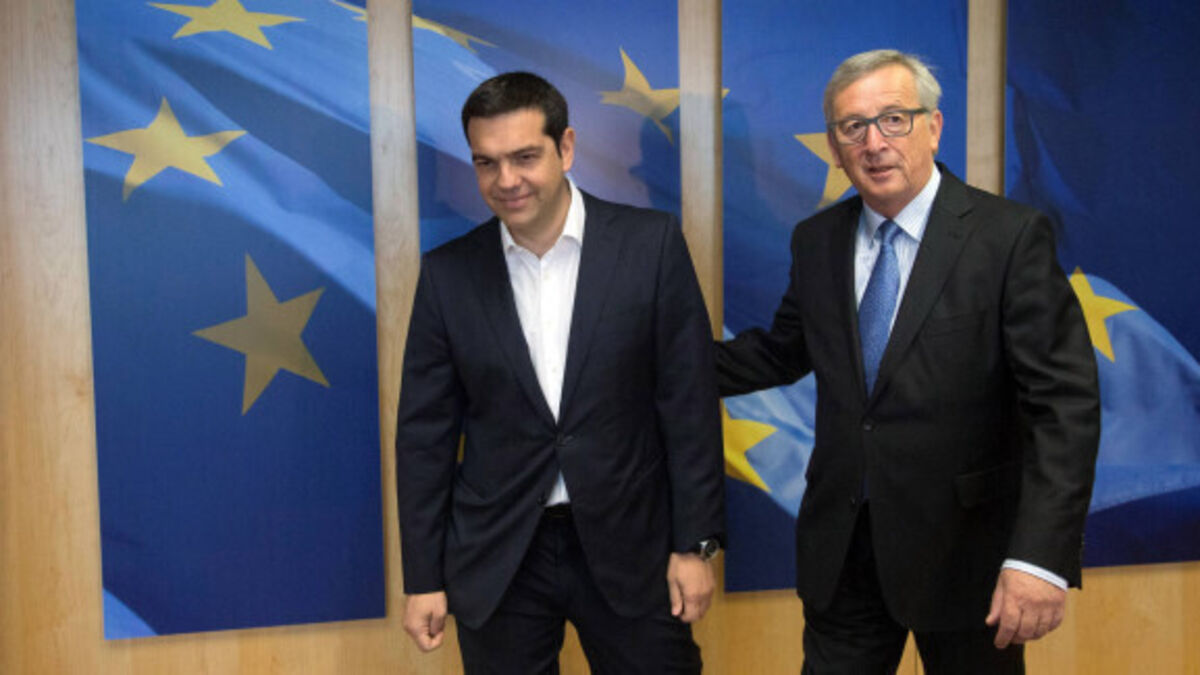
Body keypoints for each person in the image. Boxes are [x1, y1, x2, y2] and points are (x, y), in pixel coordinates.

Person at [716, 50, 1100, 674]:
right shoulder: (816, 241)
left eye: (894, 119)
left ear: (934, 127)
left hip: (969, 559)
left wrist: (1039, 557)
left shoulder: (1008, 237)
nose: (874, 143)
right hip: (845, 555)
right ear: (835, 147)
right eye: (853, 127)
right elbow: (782, 351)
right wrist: (649, 365)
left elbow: (1064, 409)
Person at [396, 71, 724, 674]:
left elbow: (690, 404)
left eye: (525, 157)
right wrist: (423, 578)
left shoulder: (649, 245)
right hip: (499, 556)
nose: (506, 180)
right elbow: (424, 438)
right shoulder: (447, 275)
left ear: (565, 147)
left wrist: (696, 545)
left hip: (633, 548)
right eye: (487, 162)